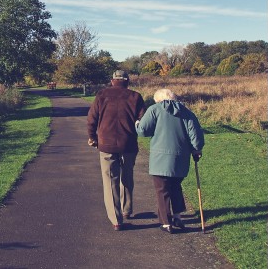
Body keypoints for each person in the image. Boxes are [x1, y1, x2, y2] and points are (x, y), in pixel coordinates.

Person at [135, 88, 204, 233]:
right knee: (175, 186)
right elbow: (195, 134)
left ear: (158, 99)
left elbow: (142, 131)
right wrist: (197, 150)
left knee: (162, 189)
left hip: (160, 158)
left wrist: (137, 124)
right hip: (181, 158)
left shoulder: (154, 110)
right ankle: (177, 216)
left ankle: (166, 222)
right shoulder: (186, 112)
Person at [87, 70, 146, 230]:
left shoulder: (102, 95)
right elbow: (143, 120)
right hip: (128, 144)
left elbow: (92, 118)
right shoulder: (135, 96)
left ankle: (116, 219)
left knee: (110, 181)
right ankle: (126, 209)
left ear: (112, 81)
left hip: (106, 144)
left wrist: (92, 137)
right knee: (127, 176)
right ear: (127, 81)